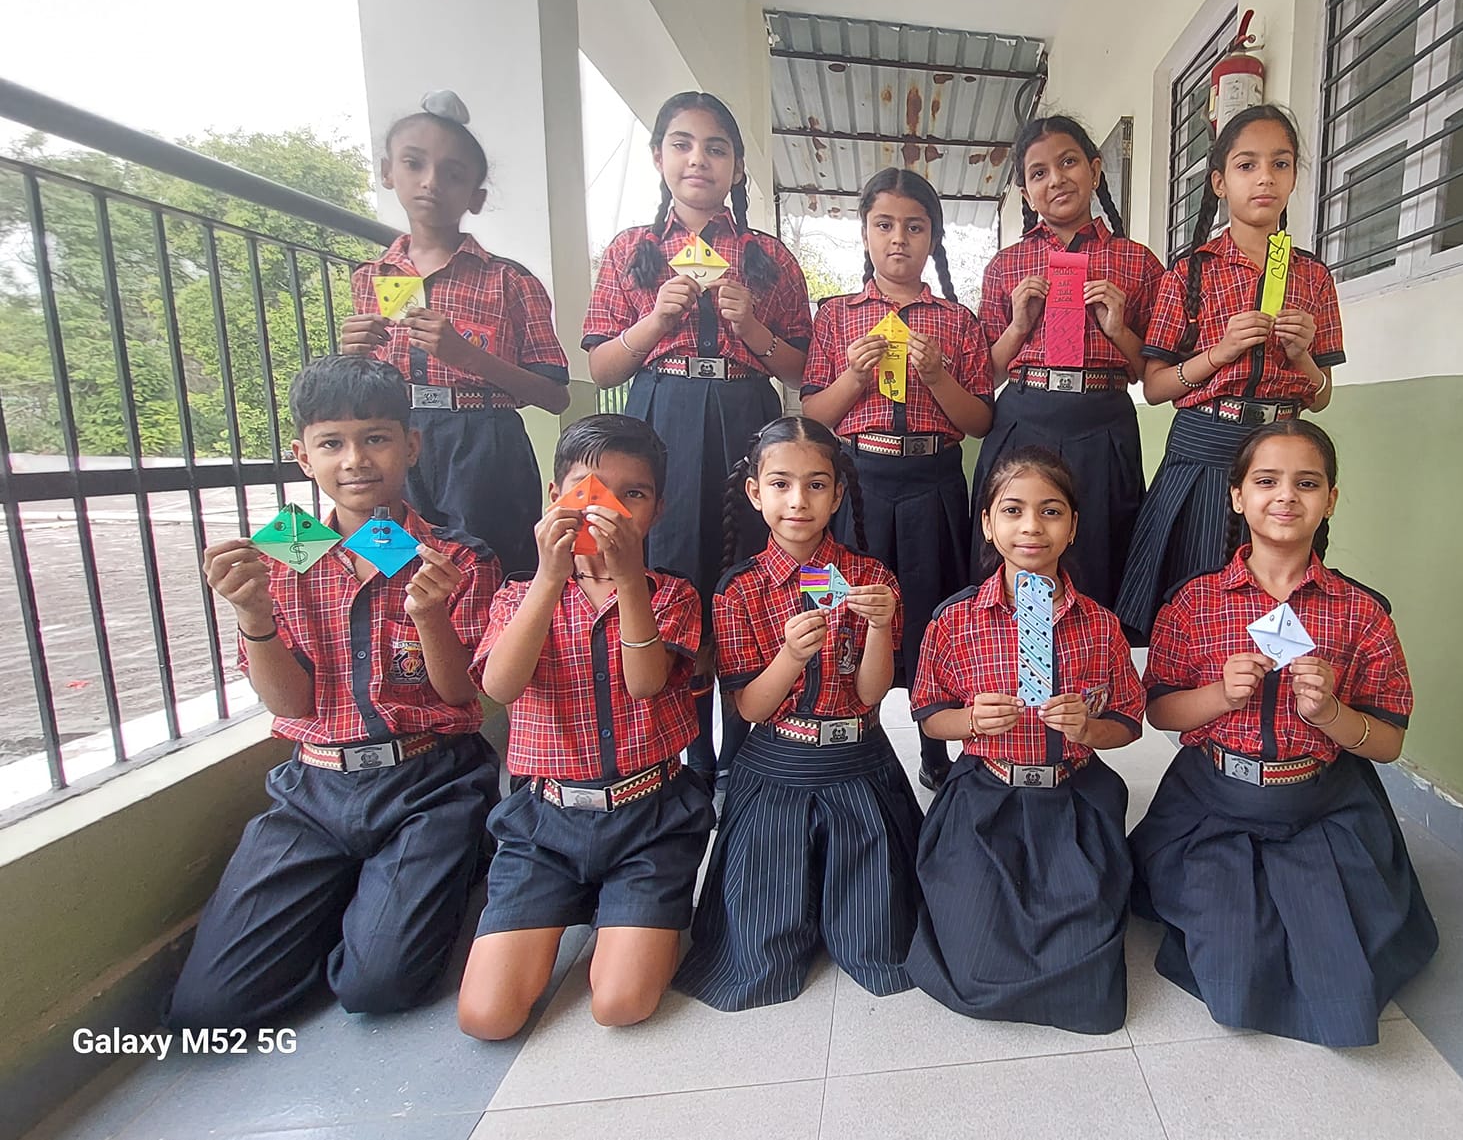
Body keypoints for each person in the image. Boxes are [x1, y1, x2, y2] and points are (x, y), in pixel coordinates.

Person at [168, 354, 500, 1027]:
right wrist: (253, 618)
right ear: (303, 455)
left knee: (377, 988)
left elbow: (464, 697)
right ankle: (359, 899)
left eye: (376, 437)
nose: (356, 459)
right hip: (312, 789)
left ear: (411, 443)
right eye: (332, 442)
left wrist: (429, 614)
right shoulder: (283, 554)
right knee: (207, 1008)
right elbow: (290, 705)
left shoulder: (456, 556)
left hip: (428, 778)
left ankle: (441, 871)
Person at [1130, 419, 1437, 1046]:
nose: (1286, 497)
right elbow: (1159, 712)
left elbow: (1388, 742)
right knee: (1235, 974)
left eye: (1307, 483)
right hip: (1214, 804)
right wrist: (1219, 695)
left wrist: (1330, 716)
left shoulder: (1361, 610)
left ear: (1330, 499)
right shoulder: (1193, 602)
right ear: (1237, 495)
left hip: (1322, 805)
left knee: (1342, 978)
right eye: (1266, 481)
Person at [455, 414, 713, 1038]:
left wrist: (627, 580)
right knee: (487, 1017)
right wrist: (550, 575)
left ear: (658, 508)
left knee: (621, 1004)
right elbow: (499, 687)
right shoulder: (517, 595)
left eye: (635, 494)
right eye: (590, 490)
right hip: (545, 821)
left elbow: (645, 681)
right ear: (555, 499)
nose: (612, 510)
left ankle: (625, 907)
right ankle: (574, 904)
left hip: (651, 814)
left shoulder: (671, 595)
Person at [584, 90, 813, 780]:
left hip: (749, 413)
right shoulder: (632, 250)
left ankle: (743, 744)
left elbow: (802, 368)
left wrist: (754, 330)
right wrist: (655, 322)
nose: (698, 160)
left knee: (746, 567)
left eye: (716, 148)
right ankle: (693, 751)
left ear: (738, 167)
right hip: (664, 412)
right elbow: (600, 367)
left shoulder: (768, 255)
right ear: (659, 158)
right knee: (674, 565)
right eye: (682, 144)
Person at [675, 417, 922, 1010]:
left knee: (882, 943)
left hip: (860, 758)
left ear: (838, 493)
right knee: (758, 952)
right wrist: (789, 655)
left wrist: (882, 625)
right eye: (781, 484)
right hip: (778, 763)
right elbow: (749, 707)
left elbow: (870, 696)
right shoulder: (738, 590)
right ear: (755, 493)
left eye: (816, 485)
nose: (798, 502)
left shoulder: (871, 579)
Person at [906, 446, 1143, 1034]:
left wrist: (1089, 729)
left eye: (1051, 512)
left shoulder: (1100, 625)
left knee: (1086, 963)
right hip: (985, 799)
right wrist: (970, 722)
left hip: (1071, 800)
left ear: (1073, 528)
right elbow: (929, 713)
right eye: (1012, 510)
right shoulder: (953, 620)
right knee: (972, 954)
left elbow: (1129, 721)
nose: (1031, 527)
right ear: (988, 524)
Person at [1114, 106, 1345, 639]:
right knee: (1196, 595)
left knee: (1280, 587)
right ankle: (1195, 711)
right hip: (1204, 446)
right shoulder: (1190, 273)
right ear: (1220, 182)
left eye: (1280, 164)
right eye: (1247, 165)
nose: (1265, 177)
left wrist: (1303, 356)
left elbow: (1322, 396)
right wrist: (1218, 354)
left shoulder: (1313, 276)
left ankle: (1264, 704)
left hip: (1283, 444)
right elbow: (1154, 387)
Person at [802, 167, 994, 790]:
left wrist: (939, 376)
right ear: (864, 233)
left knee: (932, 610)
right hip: (856, 476)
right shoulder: (834, 317)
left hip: (934, 478)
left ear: (933, 238)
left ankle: (934, 738)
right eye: (884, 225)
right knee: (843, 602)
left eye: (915, 227)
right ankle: (843, 727)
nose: (899, 239)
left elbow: (981, 422)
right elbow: (812, 416)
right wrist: (854, 379)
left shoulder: (958, 322)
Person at [340, 90, 569, 575]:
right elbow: (363, 387)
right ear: (387, 172)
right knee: (392, 562)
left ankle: (495, 651)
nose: (431, 182)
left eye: (453, 173)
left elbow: (554, 395)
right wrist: (352, 357)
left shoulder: (509, 280)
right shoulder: (370, 277)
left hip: (485, 445)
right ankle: (407, 650)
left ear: (476, 197)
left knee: (495, 566)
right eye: (414, 163)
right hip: (394, 441)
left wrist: (469, 357)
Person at [975, 115, 1164, 608]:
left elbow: (1153, 376)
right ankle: (1006, 665)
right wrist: (1019, 325)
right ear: (1025, 192)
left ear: (1096, 170)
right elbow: (986, 374)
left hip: (1103, 421)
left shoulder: (1137, 261)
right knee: (1019, 544)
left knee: (1100, 545)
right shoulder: (1005, 265)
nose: (1056, 179)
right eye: (1038, 173)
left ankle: (1091, 662)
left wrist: (1119, 329)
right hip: (1024, 416)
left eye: (1068, 162)